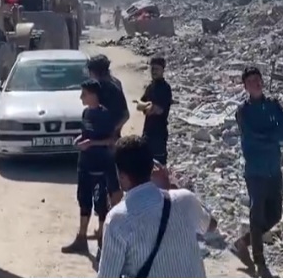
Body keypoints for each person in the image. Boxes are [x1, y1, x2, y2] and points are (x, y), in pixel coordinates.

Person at [97, 135, 212, 278]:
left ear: (122, 175)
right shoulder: (185, 199)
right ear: (152, 167)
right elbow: (210, 224)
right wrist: (171, 187)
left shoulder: (118, 219)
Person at [230, 66, 283, 278]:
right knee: (256, 214)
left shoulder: (273, 105)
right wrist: (273, 136)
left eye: (258, 79)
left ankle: (243, 242)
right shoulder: (243, 111)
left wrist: (267, 137)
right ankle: (259, 262)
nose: (256, 83)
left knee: (275, 215)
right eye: (251, 81)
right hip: (255, 170)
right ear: (245, 87)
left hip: (273, 168)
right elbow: (251, 137)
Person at [61, 79, 114, 255]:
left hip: (99, 166)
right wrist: (80, 139)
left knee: (100, 203)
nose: (81, 97)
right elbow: (85, 133)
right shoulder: (86, 113)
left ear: (93, 95)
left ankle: (102, 240)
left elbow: (111, 140)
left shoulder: (105, 115)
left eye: (84, 94)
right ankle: (81, 238)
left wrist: (92, 143)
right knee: (83, 200)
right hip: (84, 164)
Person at [87, 54, 129, 208]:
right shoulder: (115, 83)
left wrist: (111, 132)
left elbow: (124, 115)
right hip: (110, 139)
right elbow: (125, 115)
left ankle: (110, 214)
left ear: (94, 71)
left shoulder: (104, 88)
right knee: (111, 179)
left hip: (105, 142)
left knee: (109, 180)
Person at [137, 56, 173, 165]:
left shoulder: (165, 88)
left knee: (159, 165)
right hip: (147, 132)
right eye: (152, 69)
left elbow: (157, 110)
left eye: (157, 69)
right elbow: (139, 105)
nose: (154, 71)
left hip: (159, 134)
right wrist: (148, 105)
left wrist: (147, 107)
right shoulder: (150, 87)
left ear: (163, 70)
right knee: (145, 163)